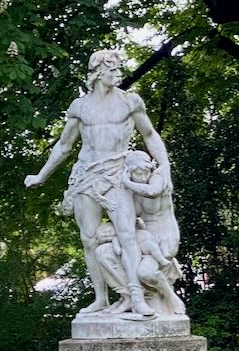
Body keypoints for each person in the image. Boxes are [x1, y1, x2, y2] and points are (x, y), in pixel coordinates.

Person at [25, 49, 171, 318]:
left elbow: (150, 135)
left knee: (127, 236)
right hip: (86, 177)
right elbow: (64, 145)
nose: (118, 74)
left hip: (117, 175)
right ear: (98, 72)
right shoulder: (80, 107)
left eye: (119, 69)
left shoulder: (130, 102)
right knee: (89, 240)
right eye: (113, 69)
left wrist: (165, 166)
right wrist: (42, 175)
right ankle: (101, 299)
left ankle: (136, 298)